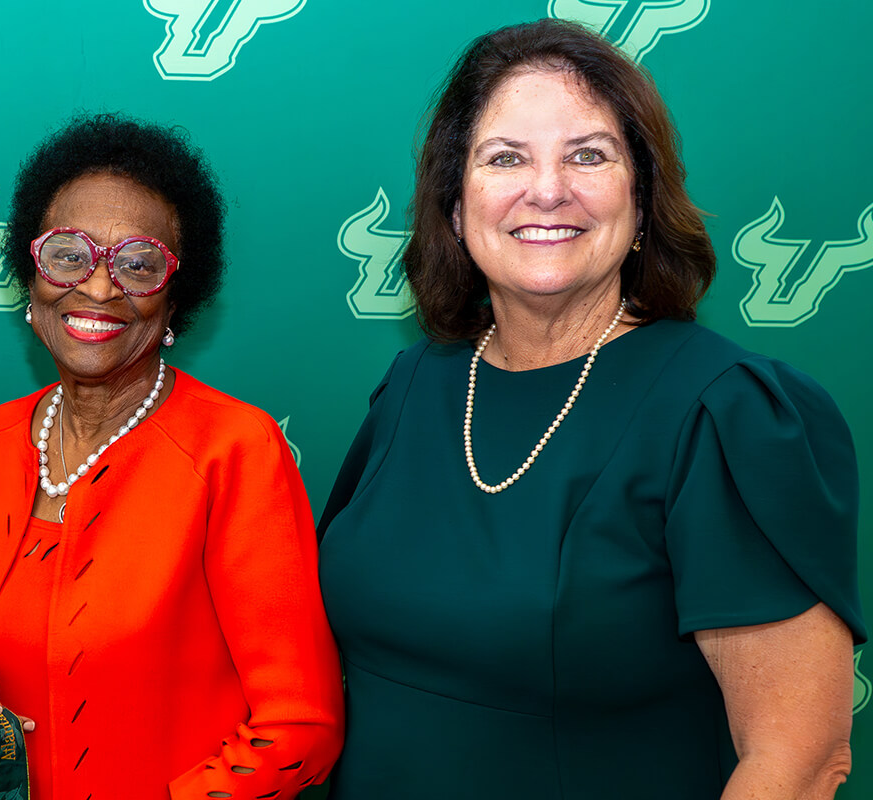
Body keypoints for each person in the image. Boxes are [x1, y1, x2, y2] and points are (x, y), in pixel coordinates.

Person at [318, 19, 864, 799]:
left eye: (588, 155)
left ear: (641, 205)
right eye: (506, 158)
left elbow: (800, 760)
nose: (547, 189)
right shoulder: (414, 385)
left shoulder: (726, 412)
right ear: (453, 208)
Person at [0, 114, 344, 799]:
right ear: (31, 274)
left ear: (176, 297)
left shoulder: (235, 452)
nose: (101, 288)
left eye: (139, 264)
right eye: (68, 255)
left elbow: (300, 727)